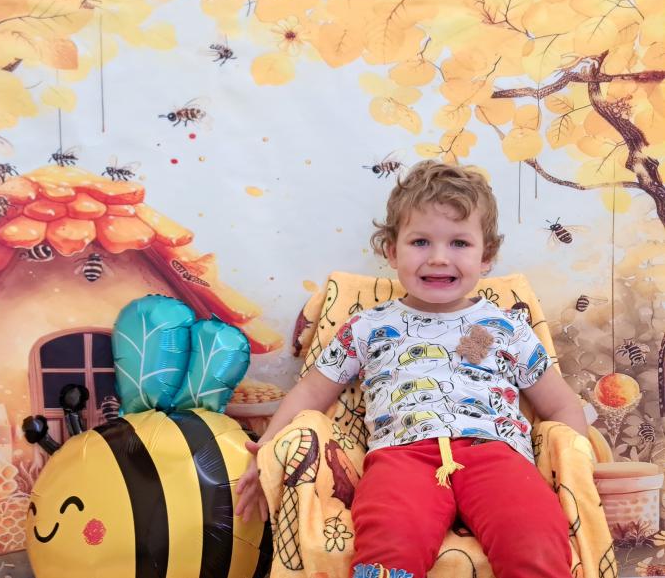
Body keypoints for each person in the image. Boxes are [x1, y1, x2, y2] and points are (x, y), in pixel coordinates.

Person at [235, 160, 587, 578]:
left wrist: (578, 464)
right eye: (420, 242)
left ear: (487, 256)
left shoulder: (505, 326)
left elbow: (561, 405)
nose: (438, 258)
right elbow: (311, 391)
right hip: (402, 458)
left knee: (534, 534)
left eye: (459, 243)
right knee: (389, 542)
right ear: (391, 250)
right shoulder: (368, 326)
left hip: (494, 453)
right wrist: (268, 448)